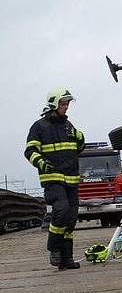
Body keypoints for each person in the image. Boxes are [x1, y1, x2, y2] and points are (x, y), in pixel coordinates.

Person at [24, 87, 85, 269]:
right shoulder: (39, 126)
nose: (66, 107)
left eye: (67, 103)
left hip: (71, 178)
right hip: (53, 177)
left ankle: (67, 259)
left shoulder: (68, 126)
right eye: (63, 103)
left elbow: (79, 147)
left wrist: (79, 137)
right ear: (53, 104)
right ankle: (54, 249)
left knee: (71, 217)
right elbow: (30, 151)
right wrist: (41, 163)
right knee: (62, 209)